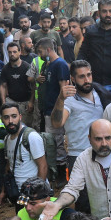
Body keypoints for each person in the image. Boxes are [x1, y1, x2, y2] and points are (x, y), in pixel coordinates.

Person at [49, 59, 111, 176]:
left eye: (89, 75)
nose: (87, 80)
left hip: (102, 153)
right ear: (73, 79)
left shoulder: (101, 93)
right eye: (81, 76)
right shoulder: (69, 101)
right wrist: (60, 99)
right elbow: (57, 123)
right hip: (79, 156)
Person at [0, 101, 47, 201]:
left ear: (20, 117)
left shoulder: (31, 136)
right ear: (2, 119)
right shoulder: (7, 139)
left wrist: (37, 194)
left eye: (14, 116)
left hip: (33, 194)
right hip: (19, 193)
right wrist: (4, 191)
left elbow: (43, 166)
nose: (10, 121)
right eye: (6, 117)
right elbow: (9, 166)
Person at [37, 37, 70, 169]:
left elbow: (64, 90)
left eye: (40, 52)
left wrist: (60, 110)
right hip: (47, 109)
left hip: (55, 110)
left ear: (48, 49)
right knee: (51, 141)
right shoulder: (48, 64)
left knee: (58, 142)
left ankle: (61, 169)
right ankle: (54, 167)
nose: (39, 55)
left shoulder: (60, 65)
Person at [0, 42, 33, 125]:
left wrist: (31, 101)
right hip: (11, 102)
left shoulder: (27, 67)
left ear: (20, 52)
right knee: (12, 125)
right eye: (10, 52)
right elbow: (3, 86)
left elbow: (34, 86)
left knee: (26, 127)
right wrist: (4, 102)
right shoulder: (5, 69)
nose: (12, 54)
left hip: (26, 102)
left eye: (14, 52)